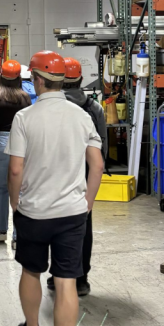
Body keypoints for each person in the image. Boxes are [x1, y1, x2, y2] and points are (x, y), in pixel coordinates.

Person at [7, 50, 104, 326]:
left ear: (36, 81)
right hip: (72, 214)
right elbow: (98, 164)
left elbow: (16, 168)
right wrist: (87, 201)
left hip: (33, 212)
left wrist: (15, 203)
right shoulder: (82, 116)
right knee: (66, 283)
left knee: (31, 271)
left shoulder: (25, 118)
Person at [44, 57, 106, 297]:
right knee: (83, 224)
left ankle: (58, 275)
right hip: (86, 172)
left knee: (54, 223)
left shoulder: (49, 108)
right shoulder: (94, 108)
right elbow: (102, 148)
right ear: (80, 79)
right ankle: (81, 279)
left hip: (56, 172)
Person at [0, 60, 31, 242]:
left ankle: (1, 231)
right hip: (21, 143)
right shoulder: (25, 98)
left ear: (1, 77)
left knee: (1, 189)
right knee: (19, 190)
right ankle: (17, 236)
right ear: (19, 77)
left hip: (1, 141)